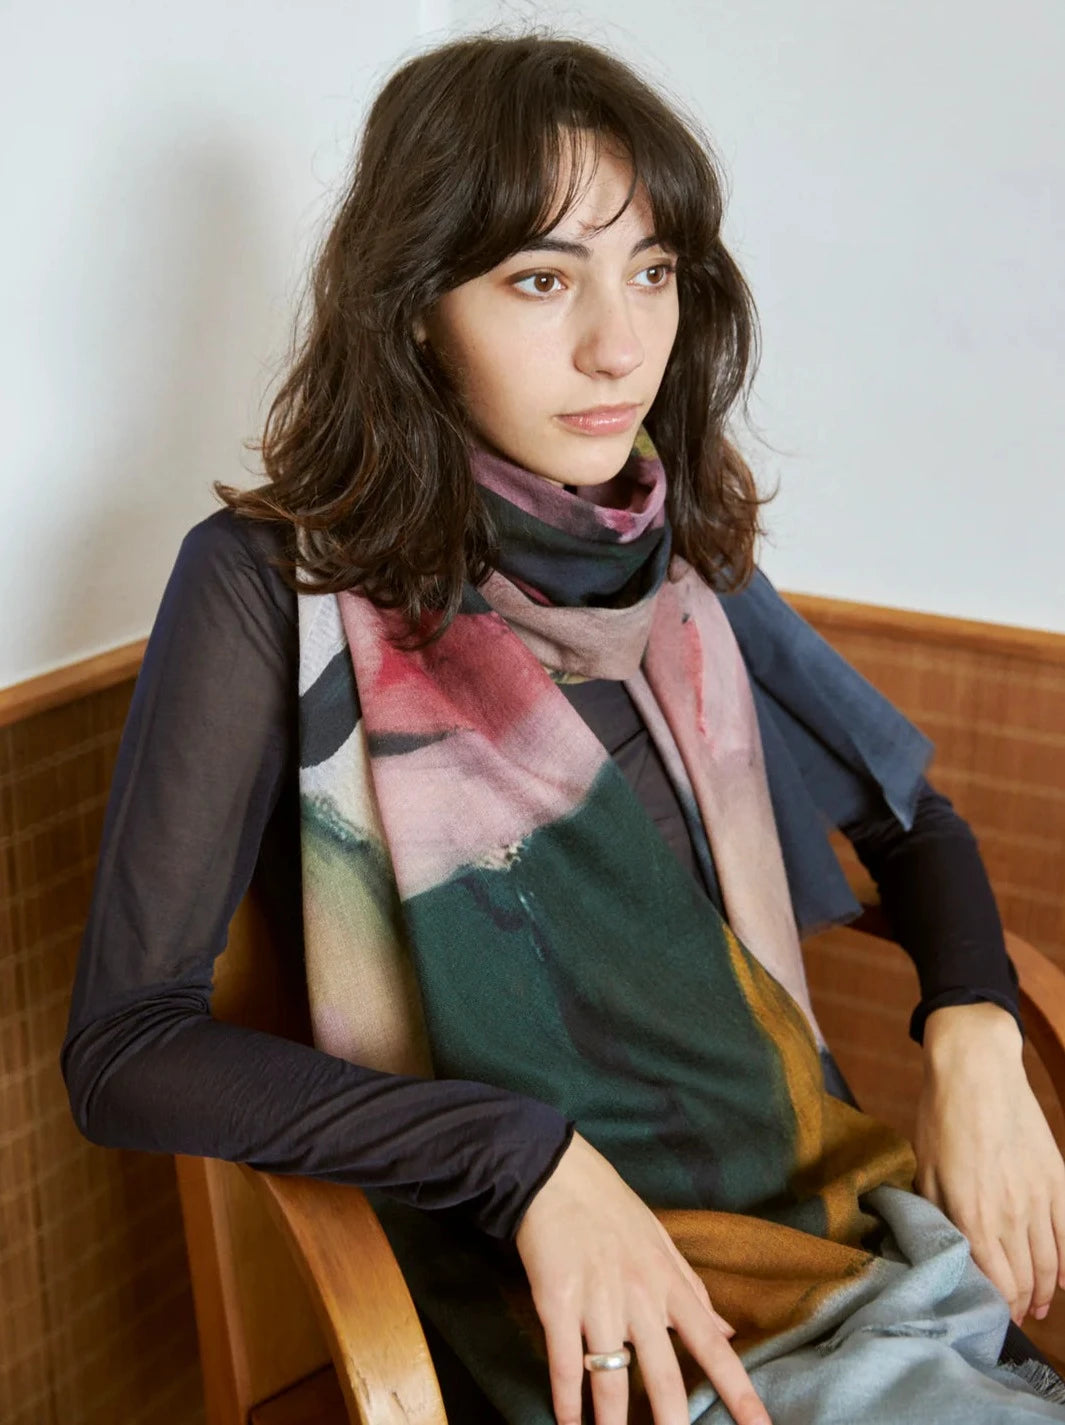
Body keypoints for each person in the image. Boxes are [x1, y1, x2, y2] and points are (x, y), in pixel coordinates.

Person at [61, 29, 1065, 1425]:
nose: (618, 343)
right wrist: (521, 1154)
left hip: (828, 1237)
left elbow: (912, 819)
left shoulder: (675, 549)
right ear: (415, 306)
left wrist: (972, 1037)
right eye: (540, 278)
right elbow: (127, 1047)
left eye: (649, 271)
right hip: (560, 1314)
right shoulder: (264, 586)